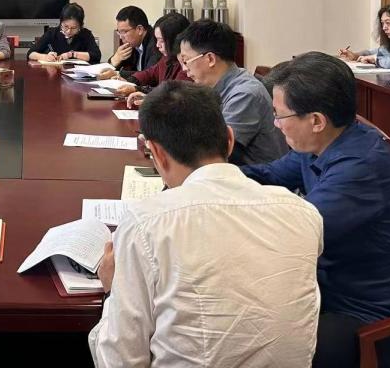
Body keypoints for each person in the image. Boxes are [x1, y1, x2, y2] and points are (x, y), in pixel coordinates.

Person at [89, 82, 323, 367]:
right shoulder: (304, 213)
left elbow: (120, 361)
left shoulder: (145, 223)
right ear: (229, 140)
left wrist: (113, 290)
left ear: (157, 152)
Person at [242, 53, 390, 368]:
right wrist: (205, 176)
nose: (275, 124)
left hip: (388, 324)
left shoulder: (360, 167)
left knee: (271, 345)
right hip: (343, 287)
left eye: (279, 115)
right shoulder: (323, 142)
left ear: (316, 121)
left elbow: (294, 234)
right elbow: (269, 175)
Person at [177, 19, 286, 165]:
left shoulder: (245, 94)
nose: (184, 69)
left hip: (255, 177)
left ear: (210, 59)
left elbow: (214, 152)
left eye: (186, 61)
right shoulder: (219, 86)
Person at [99, 13, 190, 107]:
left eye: (162, 41)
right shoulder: (167, 57)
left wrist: (137, 89)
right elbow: (149, 73)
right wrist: (130, 81)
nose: (157, 45)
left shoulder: (186, 64)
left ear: (175, 40)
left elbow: (172, 93)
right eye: (157, 40)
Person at [27, 2, 101, 63]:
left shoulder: (86, 34)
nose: (69, 31)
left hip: (80, 74)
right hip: (56, 73)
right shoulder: (52, 33)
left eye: (74, 28)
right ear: (61, 22)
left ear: (80, 26)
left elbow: (96, 56)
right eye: (66, 26)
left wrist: (72, 54)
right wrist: (45, 57)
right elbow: (30, 53)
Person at [106, 5, 160, 76]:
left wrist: (118, 73)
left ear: (140, 29)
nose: (121, 37)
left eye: (124, 32)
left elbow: (149, 75)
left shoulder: (156, 44)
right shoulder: (132, 44)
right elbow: (111, 68)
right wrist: (114, 60)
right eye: (119, 32)